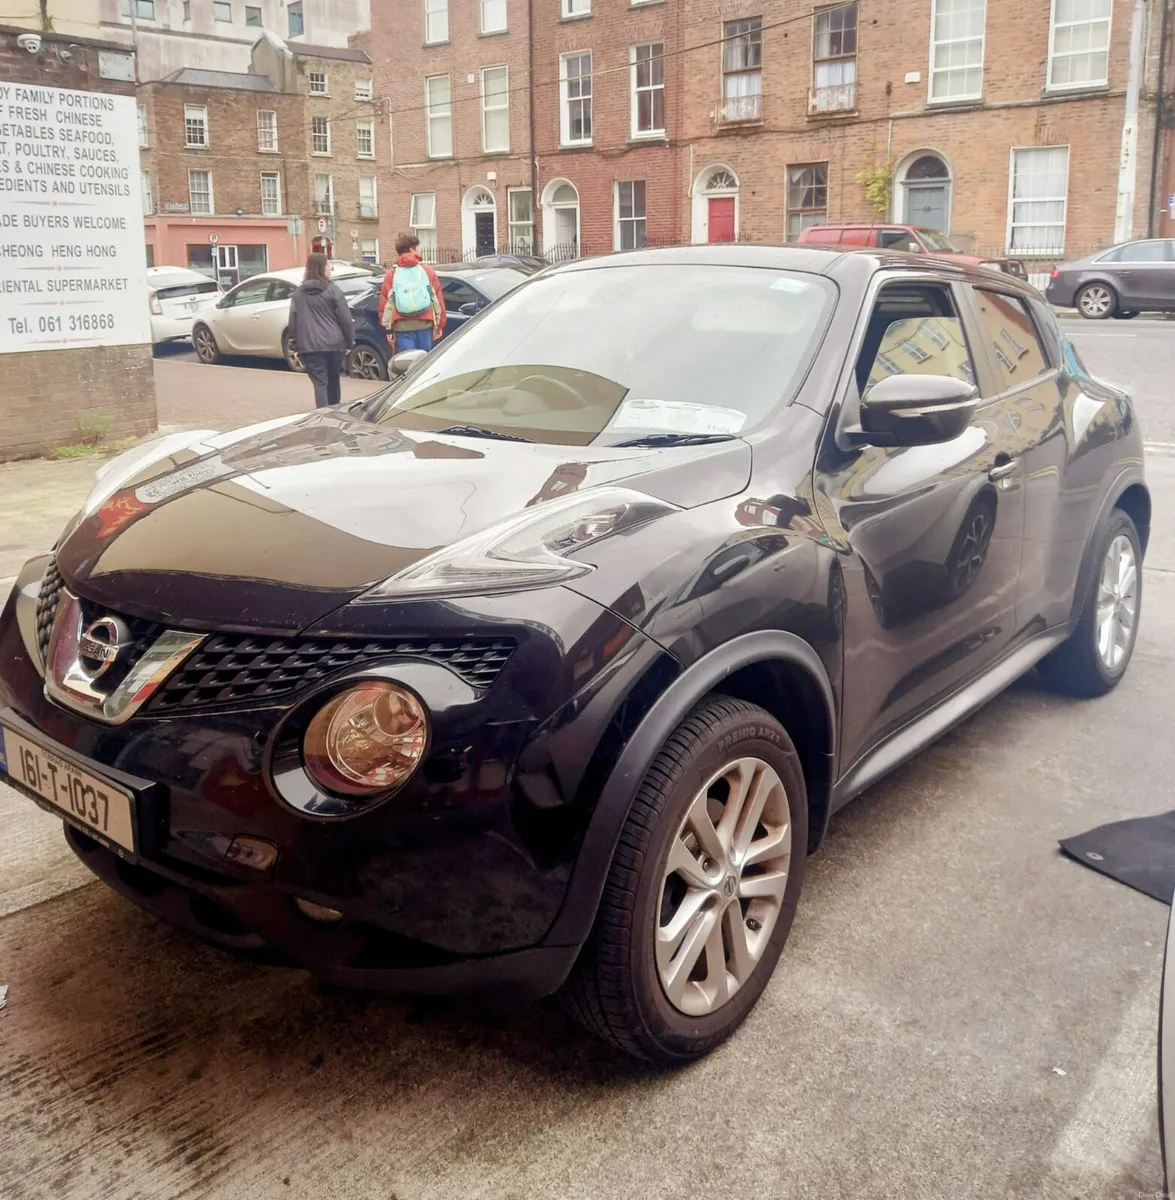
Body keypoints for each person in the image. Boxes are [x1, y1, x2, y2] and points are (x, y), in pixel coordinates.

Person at [288, 252, 355, 408]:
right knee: (333, 380)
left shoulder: (298, 295)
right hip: (334, 344)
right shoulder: (333, 290)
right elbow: (345, 319)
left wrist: (295, 344)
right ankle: (334, 411)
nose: (330, 268)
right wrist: (349, 341)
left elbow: (293, 323)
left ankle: (322, 414)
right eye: (328, 266)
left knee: (320, 383)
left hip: (309, 347)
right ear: (322, 268)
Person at [378, 233, 447, 354]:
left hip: (402, 328)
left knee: (408, 365)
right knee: (425, 364)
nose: (420, 251)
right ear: (411, 249)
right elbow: (437, 299)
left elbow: (386, 304)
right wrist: (440, 324)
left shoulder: (392, 274)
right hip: (425, 325)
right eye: (417, 248)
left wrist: (388, 330)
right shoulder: (427, 271)